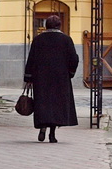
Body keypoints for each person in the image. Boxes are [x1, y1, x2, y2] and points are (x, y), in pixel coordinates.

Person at [23, 14, 79, 143]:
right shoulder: (66, 40)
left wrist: (28, 77)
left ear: (45, 26)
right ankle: (52, 134)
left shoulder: (38, 40)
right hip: (60, 79)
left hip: (41, 78)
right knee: (56, 105)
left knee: (43, 103)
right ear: (59, 25)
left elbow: (31, 59)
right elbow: (74, 59)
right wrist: (70, 73)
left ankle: (42, 126)